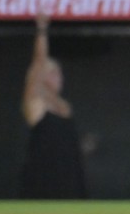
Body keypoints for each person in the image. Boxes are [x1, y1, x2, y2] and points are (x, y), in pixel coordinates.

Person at [20, 13, 88, 199]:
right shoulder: (36, 102)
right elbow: (39, 61)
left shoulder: (65, 105)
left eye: (59, 73)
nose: (58, 77)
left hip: (70, 177)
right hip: (43, 177)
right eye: (53, 73)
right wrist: (42, 29)